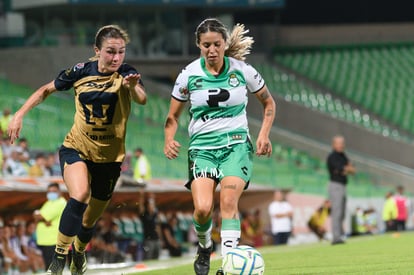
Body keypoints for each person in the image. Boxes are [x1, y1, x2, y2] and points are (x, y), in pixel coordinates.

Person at [7, 24, 147, 275]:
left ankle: (79, 252)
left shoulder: (127, 74)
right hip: (76, 148)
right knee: (80, 194)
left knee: (90, 219)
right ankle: (59, 259)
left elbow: (141, 98)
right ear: (97, 50)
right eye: (110, 52)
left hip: (109, 159)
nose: (116, 58)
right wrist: (19, 114)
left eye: (121, 52)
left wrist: (133, 85)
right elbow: (45, 90)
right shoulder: (80, 72)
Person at [164, 18, 276, 275]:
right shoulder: (189, 75)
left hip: (235, 146)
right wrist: (169, 139)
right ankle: (204, 247)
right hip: (202, 150)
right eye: (206, 45)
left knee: (228, 201)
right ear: (198, 45)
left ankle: (228, 265)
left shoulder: (243, 70)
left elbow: (268, 104)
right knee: (202, 209)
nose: (211, 50)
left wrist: (263, 135)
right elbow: (172, 117)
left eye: (216, 44)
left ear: (225, 43)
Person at [326, 135, 355, 245]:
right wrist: (347, 169)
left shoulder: (343, 156)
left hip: (342, 185)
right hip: (335, 185)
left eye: (342, 143)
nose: (341, 145)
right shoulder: (333, 156)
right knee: (337, 212)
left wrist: (347, 169)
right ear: (334, 144)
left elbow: (352, 170)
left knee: (342, 212)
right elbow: (344, 168)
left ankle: (340, 234)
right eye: (339, 143)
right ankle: (336, 237)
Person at [34, 182, 67, 270]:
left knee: (52, 268)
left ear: (60, 192)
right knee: (49, 267)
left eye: (54, 191)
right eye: (49, 192)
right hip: (46, 241)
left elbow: (40, 216)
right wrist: (42, 218)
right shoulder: (49, 203)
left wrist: (41, 217)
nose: (51, 193)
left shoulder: (60, 203)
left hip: (53, 241)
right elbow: (37, 216)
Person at [139, 191, 161, 260]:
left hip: (156, 239)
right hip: (148, 240)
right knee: (148, 257)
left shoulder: (155, 215)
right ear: (147, 206)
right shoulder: (144, 215)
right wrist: (141, 196)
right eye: (150, 205)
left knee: (156, 257)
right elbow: (141, 206)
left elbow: (158, 227)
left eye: (152, 205)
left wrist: (160, 238)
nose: (152, 207)